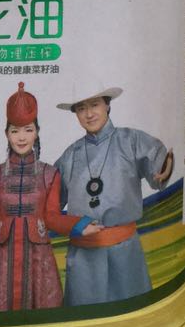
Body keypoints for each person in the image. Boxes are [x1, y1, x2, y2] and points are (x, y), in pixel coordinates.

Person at [0, 83, 100, 312]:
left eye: (28, 130)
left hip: (38, 259)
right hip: (0, 258)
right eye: (15, 131)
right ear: (6, 134)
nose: (21, 137)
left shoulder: (50, 174)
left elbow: (53, 218)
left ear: (36, 132)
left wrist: (80, 225)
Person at [54, 85, 173, 307]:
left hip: (124, 252)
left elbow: (159, 169)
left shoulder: (132, 141)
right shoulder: (69, 156)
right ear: (76, 114)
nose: (89, 114)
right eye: (81, 108)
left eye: (95, 105)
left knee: (131, 314)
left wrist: (165, 168)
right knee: (84, 318)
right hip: (83, 257)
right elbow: (49, 205)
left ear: (107, 105)